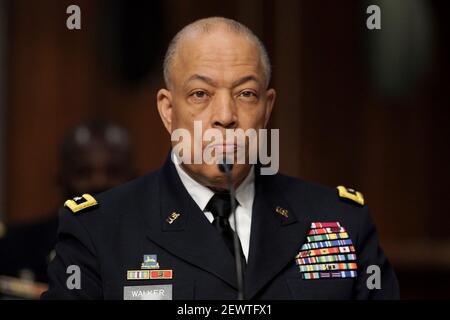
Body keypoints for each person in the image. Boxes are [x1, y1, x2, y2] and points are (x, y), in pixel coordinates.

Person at [42, 17, 399, 300]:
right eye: (200, 93)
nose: (226, 115)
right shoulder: (101, 229)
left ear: (267, 108)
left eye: (246, 93)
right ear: (168, 110)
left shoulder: (340, 221)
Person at [0, 120, 135, 293]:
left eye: (113, 171)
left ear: (134, 178)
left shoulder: (161, 243)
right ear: (60, 179)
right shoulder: (14, 247)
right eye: (83, 172)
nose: (99, 182)